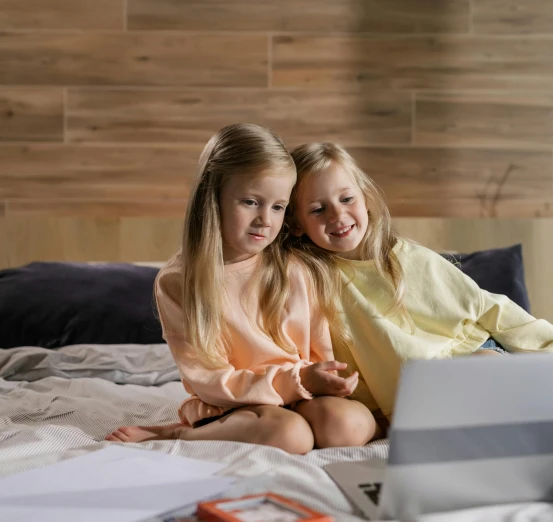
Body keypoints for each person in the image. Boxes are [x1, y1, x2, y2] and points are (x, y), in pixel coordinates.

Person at [105, 125, 380, 453]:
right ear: (212, 197)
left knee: (348, 425)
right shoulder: (179, 281)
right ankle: (178, 435)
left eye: (278, 207)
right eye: (251, 202)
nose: (265, 219)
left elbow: (320, 351)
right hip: (233, 404)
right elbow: (209, 381)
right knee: (291, 435)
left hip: (302, 394)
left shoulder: (296, 266)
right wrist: (297, 382)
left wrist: (328, 381)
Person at [284, 142, 553, 421]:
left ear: (365, 199)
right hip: (416, 395)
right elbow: (346, 357)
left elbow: (488, 308)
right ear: (297, 225)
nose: (338, 215)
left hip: (472, 356)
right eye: (318, 209)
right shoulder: (312, 280)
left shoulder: (407, 257)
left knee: (487, 367)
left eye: (347, 198)